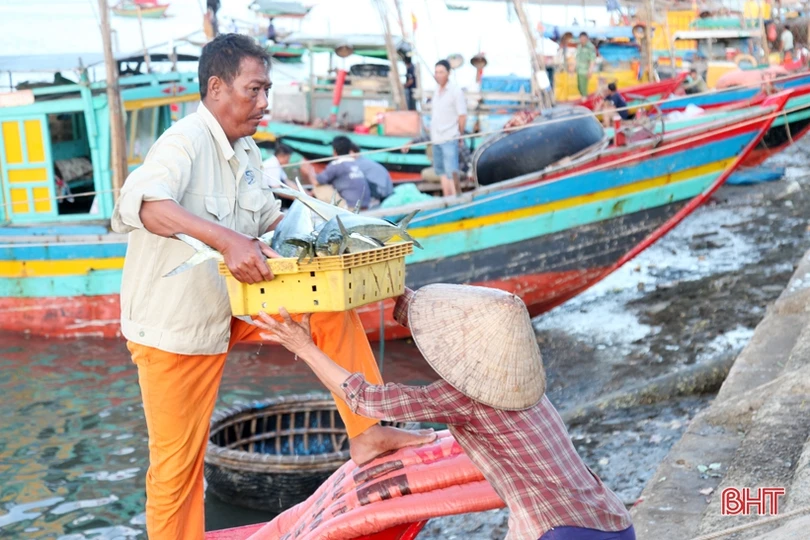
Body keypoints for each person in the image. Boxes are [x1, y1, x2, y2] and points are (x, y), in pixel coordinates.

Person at [110, 34, 434, 539]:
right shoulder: (183, 141)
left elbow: (275, 221)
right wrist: (229, 241)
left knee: (328, 308)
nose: (265, 104)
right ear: (216, 88)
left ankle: (368, 433)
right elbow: (147, 206)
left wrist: (350, 246)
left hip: (236, 304)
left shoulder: (247, 152)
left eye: (267, 90)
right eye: (254, 90)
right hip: (176, 329)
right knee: (176, 471)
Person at [254, 284, 636, 540]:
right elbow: (435, 324)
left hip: (565, 531)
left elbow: (365, 398)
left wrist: (304, 347)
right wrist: (394, 292)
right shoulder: (522, 384)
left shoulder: (464, 400)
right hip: (611, 518)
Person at [428, 59, 467, 197]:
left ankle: (456, 199)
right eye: (436, 72)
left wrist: (460, 135)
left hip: (450, 136)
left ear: (448, 73)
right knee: (442, 172)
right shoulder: (436, 91)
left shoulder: (455, 91)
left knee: (452, 171)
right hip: (436, 138)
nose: (438, 75)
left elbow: (462, 115)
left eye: (441, 72)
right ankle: (447, 199)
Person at [300, 136, 371, 209]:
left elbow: (315, 182)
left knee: (319, 187)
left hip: (351, 208)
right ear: (349, 149)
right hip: (365, 206)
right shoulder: (355, 163)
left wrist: (308, 170)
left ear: (334, 151)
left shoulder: (336, 165)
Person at [576, 32, 597, 98]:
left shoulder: (590, 47)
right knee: (579, 87)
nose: (582, 40)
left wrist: (590, 70)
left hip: (585, 70)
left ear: (586, 38)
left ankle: (585, 101)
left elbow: (592, 59)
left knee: (583, 88)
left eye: (583, 38)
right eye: (581, 38)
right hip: (579, 70)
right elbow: (577, 58)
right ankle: (583, 98)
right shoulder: (579, 46)